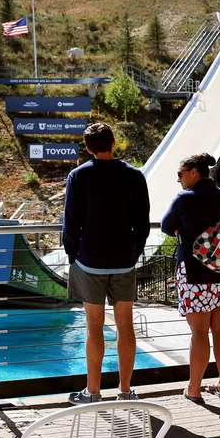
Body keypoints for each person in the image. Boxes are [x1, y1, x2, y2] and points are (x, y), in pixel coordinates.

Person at [61, 122, 150, 404]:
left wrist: (73, 254)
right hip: (124, 261)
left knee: (94, 327)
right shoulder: (134, 176)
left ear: (88, 148)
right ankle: (125, 391)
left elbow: (70, 223)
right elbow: (143, 223)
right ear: (113, 143)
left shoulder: (78, 176)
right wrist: (134, 253)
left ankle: (93, 392)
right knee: (126, 325)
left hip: (90, 262)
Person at [161, 153, 220, 403]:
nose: (179, 179)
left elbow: (166, 226)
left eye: (180, 174)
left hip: (195, 273)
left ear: (194, 172)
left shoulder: (185, 198)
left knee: (199, 332)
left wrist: (182, 227)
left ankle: (194, 389)